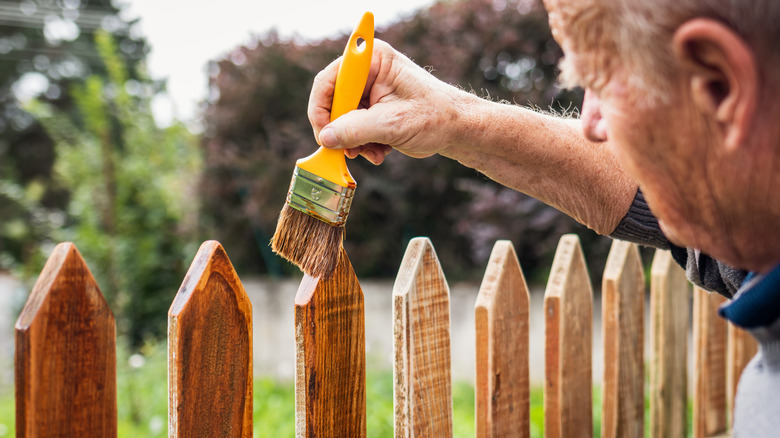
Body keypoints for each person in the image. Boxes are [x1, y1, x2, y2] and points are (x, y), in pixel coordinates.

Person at [308, 1, 780, 435]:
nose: (591, 125)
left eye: (600, 79)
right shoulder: (756, 221)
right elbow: (654, 192)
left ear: (720, 83)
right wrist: (453, 120)